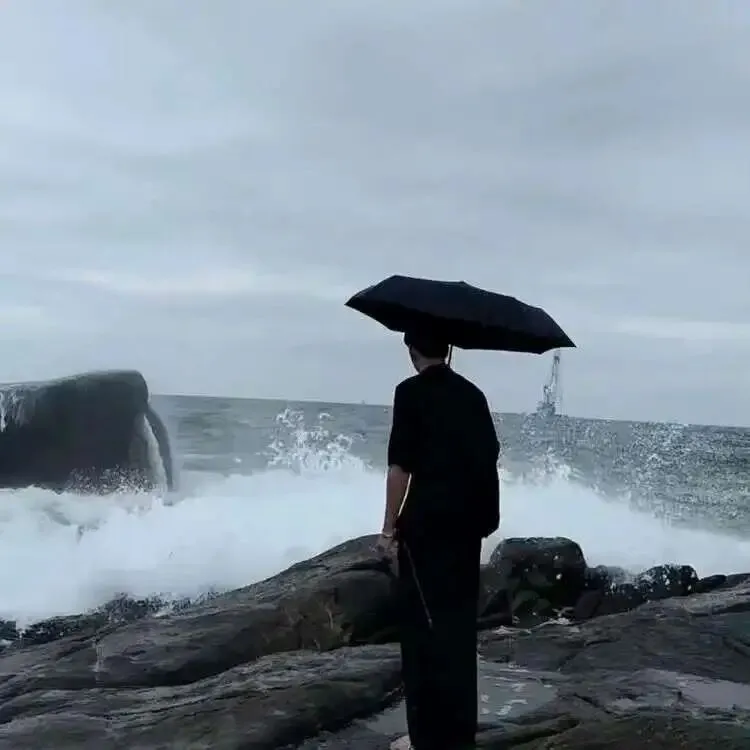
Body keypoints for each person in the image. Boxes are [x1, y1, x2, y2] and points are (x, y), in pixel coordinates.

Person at [378, 329, 501, 750]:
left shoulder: (409, 393)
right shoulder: (473, 396)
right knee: (458, 630)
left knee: (421, 634)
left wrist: (388, 531)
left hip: (424, 529)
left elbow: (400, 467)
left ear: (413, 350)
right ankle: (459, 734)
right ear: (448, 349)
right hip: (465, 530)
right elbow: (489, 457)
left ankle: (425, 737)